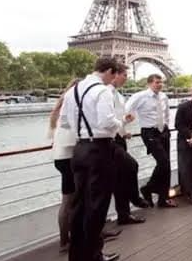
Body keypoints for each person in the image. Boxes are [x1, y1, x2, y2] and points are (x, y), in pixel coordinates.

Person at [58, 56, 123, 261]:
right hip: (99, 149)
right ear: (110, 71)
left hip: (79, 150)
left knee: (79, 205)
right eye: (114, 75)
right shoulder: (102, 91)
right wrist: (120, 123)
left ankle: (77, 255)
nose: (113, 80)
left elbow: (65, 122)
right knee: (97, 206)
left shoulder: (73, 91)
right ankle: (93, 254)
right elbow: (106, 122)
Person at [125, 74, 176, 208]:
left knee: (166, 165)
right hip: (149, 132)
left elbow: (166, 114)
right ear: (149, 83)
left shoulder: (163, 97)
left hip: (163, 132)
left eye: (161, 82)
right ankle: (148, 188)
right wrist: (125, 125)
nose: (159, 85)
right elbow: (126, 110)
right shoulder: (140, 96)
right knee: (163, 162)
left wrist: (166, 127)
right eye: (156, 82)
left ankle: (163, 199)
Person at [108, 65, 148, 225]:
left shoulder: (118, 96)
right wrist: (124, 120)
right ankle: (134, 197)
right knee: (131, 166)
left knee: (121, 178)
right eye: (124, 75)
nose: (127, 78)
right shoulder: (105, 94)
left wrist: (124, 131)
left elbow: (117, 119)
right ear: (115, 74)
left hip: (119, 139)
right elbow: (108, 120)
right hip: (109, 141)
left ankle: (124, 215)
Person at [48, 78, 80, 252]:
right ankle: (67, 241)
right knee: (70, 200)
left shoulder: (60, 108)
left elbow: (54, 135)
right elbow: (72, 133)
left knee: (68, 199)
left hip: (61, 157)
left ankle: (66, 239)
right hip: (69, 157)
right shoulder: (69, 109)